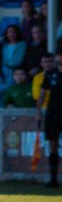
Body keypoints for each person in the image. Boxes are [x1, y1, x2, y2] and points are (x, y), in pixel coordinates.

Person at [37, 54, 62, 187]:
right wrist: (38, 112)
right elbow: (42, 93)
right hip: (53, 113)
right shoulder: (51, 73)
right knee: (53, 144)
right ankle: (53, 179)